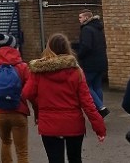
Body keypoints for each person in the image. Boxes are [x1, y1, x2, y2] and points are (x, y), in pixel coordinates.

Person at [25, 33, 106, 163]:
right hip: (73, 123)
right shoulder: (76, 71)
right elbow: (87, 103)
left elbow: (27, 93)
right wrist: (99, 127)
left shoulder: (38, 72)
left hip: (49, 124)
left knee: (54, 160)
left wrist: (40, 104)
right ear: (67, 48)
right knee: (75, 159)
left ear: (48, 48)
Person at [0, 34, 31, 163]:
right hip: (19, 111)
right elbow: (30, 91)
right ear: (15, 47)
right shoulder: (23, 67)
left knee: (5, 142)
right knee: (22, 151)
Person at [78, 9, 110, 117]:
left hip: (90, 63)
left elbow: (86, 46)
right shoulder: (98, 29)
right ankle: (99, 111)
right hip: (101, 61)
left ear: (86, 18)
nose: (79, 19)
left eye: (80, 17)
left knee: (86, 85)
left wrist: (79, 55)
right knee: (97, 86)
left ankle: (101, 107)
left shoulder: (86, 29)